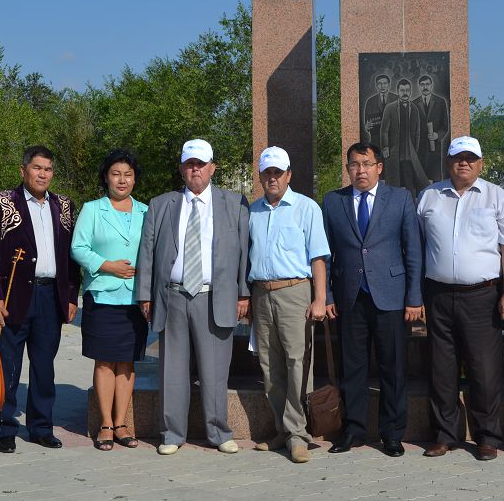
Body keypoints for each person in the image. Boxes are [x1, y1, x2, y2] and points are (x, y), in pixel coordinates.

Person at [135, 139, 250, 455]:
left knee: (215, 371)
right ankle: (172, 434)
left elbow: (243, 253)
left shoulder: (234, 203)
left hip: (214, 297)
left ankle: (218, 432)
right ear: (182, 168)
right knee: (172, 368)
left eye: (201, 163)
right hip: (173, 297)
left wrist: (243, 292)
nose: (195, 169)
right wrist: (145, 294)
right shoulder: (162, 204)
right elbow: (147, 252)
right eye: (189, 164)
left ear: (212, 167)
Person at [417, 136, 504, 461]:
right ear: (448, 162)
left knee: (484, 370)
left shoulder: (496, 197)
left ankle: (487, 437)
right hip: (439, 295)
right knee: (440, 369)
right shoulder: (429, 196)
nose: (464, 163)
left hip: (482, 296)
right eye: (458, 158)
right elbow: (417, 246)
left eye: (470, 158)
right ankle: (445, 435)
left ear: (481, 163)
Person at [0, 145, 81, 454]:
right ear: (24, 170)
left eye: (48, 169)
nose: (43, 174)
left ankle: (40, 427)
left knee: (44, 366)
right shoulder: (2, 202)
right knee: (7, 364)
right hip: (11, 298)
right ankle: (2, 428)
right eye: (37, 168)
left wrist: (71, 295)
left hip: (50, 296)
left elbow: (71, 257)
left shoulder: (64, 205)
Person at [322, 142, 422, 457]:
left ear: (379, 166)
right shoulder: (333, 201)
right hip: (349, 298)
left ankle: (392, 433)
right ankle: (353, 430)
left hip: (390, 297)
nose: (360, 170)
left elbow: (413, 250)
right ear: (348, 168)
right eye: (354, 164)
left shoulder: (401, 199)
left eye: (366, 164)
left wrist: (414, 297)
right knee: (352, 368)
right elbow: (323, 255)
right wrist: (325, 295)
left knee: (393, 367)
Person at [248, 146, 331, 464]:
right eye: (267, 172)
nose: (272, 178)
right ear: (260, 176)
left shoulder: (306, 208)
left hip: (295, 291)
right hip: (262, 294)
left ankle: (298, 434)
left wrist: (320, 298)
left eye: (277, 172)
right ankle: (283, 429)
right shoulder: (253, 211)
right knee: (270, 366)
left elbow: (318, 256)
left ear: (289, 175)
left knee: (297, 363)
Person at [70, 149, 149, 451]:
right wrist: (107, 265)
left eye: (128, 174)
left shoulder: (145, 211)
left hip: (135, 299)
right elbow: (78, 248)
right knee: (105, 362)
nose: (122, 179)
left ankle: (122, 423)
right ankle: (104, 424)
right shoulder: (93, 209)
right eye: (116, 174)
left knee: (127, 363)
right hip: (102, 295)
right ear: (106, 177)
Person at [380, 78, 428, 195]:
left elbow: (417, 132)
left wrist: (414, 150)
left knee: (410, 183)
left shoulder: (415, 109)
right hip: (394, 152)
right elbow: (384, 130)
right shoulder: (390, 108)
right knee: (393, 182)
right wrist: (385, 146)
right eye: (402, 90)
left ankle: (411, 206)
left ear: (410, 91)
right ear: (398, 91)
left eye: (407, 90)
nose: (405, 93)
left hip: (409, 154)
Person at [412, 75, 449, 183]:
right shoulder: (414, 103)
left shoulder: (441, 102)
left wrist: (437, 135)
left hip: (435, 149)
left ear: (431, 85)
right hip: (419, 149)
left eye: (427, 84)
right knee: (420, 179)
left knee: (436, 179)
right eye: (422, 85)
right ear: (419, 87)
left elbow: (445, 125)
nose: (425, 87)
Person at [363, 73, 398, 146]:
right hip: (376, 138)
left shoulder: (397, 99)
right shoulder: (370, 101)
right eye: (380, 83)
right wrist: (367, 127)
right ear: (376, 85)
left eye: (385, 83)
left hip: (393, 138)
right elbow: (367, 121)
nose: (382, 86)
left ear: (389, 84)